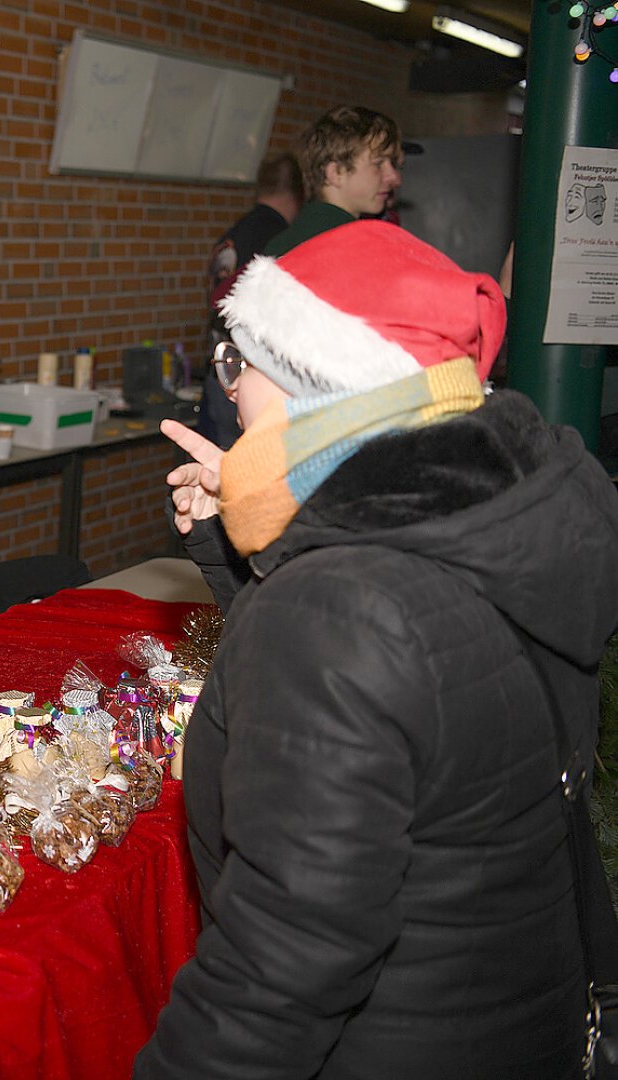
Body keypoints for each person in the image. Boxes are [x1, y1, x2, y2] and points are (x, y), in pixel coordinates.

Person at [136, 221, 618, 1078]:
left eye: (238, 366)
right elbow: (404, 684)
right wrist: (247, 540)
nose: (233, 393)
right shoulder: (493, 524)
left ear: (311, 387)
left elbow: (276, 976)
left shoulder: (334, 613)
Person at [199, 153, 304, 449]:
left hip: (222, 371)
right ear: (300, 193)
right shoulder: (280, 240)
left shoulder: (235, 232)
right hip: (255, 380)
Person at [264, 105, 403, 257]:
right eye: (378, 164)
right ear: (335, 173)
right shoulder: (357, 248)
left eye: (392, 164)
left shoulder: (281, 243)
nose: (394, 177)